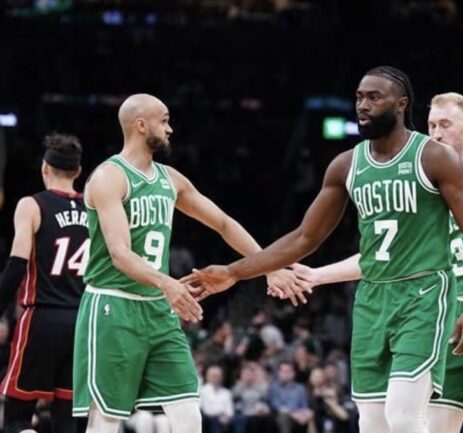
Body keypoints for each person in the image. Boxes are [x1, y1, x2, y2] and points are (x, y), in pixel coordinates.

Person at [186, 67, 463, 433]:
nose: (362, 105)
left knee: (404, 417)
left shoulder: (435, 157)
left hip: (425, 293)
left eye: (374, 98)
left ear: (401, 104)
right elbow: (304, 238)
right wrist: (235, 272)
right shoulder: (346, 165)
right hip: (371, 299)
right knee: (372, 423)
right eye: (359, 98)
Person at [285, 92, 463, 433]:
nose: (435, 133)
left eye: (445, 124)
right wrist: (318, 275)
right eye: (431, 125)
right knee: (435, 425)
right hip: (450, 314)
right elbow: (388, 258)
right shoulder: (428, 186)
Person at [71, 93, 297, 433]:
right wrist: (168, 283)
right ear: (141, 124)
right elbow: (119, 253)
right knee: (105, 421)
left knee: (190, 416)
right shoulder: (109, 176)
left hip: (158, 311)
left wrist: (270, 266)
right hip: (113, 307)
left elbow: (223, 223)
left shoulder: (170, 180)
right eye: (164, 120)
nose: (170, 128)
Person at [0, 133, 87, 433]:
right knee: (67, 423)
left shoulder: (31, 205)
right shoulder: (97, 211)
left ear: (44, 169)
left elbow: (15, 266)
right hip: (82, 323)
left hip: (41, 318)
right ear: (78, 172)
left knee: (16, 419)